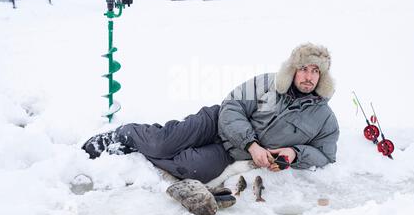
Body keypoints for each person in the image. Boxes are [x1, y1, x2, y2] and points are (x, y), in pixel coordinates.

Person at [81, 42, 339, 185]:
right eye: (304, 69)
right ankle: (126, 135)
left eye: (316, 71)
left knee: (193, 170)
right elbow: (232, 107)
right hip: (216, 123)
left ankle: (144, 149)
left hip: (229, 152)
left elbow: (326, 154)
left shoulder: (324, 118)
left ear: (322, 76)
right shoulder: (267, 83)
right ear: (293, 70)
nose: (309, 76)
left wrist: (295, 153)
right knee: (163, 143)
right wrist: (252, 144)